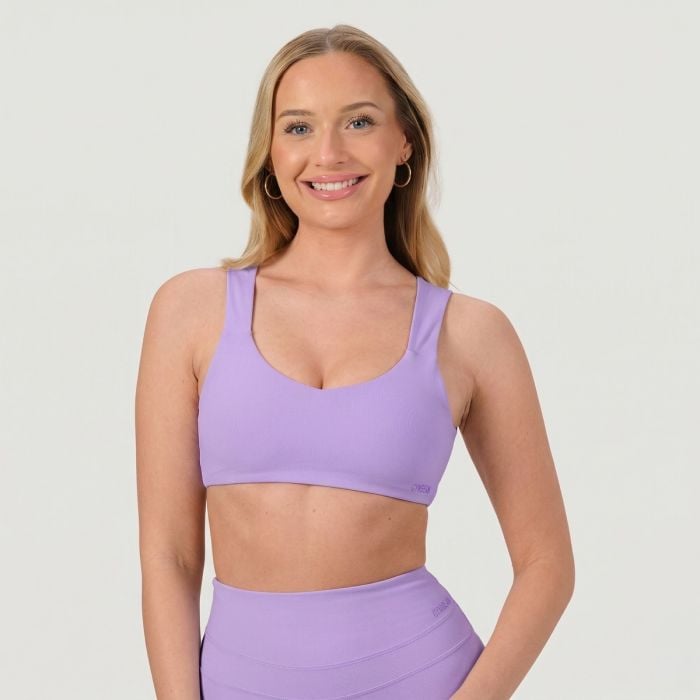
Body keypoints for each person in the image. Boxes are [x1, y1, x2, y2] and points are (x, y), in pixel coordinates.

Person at [135, 24, 575, 700]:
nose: (329, 153)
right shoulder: (191, 311)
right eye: (299, 127)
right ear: (270, 153)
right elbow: (169, 555)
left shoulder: (471, 334)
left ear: (405, 143)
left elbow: (547, 564)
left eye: (359, 122)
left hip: (424, 680)